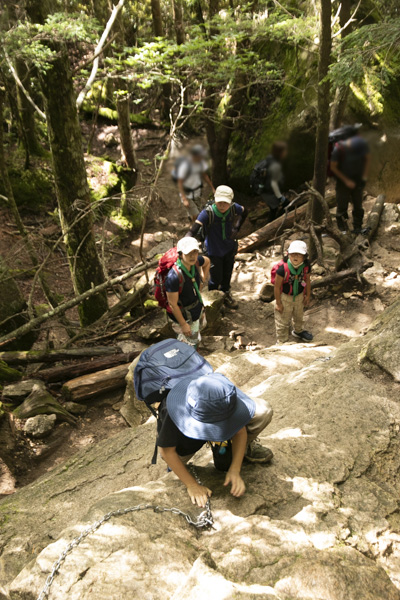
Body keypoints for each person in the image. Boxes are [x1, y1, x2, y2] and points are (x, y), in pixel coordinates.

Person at [157, 372, 274, 507]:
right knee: (175, 470)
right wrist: (192, 485)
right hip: (186, 438)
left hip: (216, 418)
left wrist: (234, 469)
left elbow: (240, 430)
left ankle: (224, 445)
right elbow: (167, 452)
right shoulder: (174, 412)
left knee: (263, 411)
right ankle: (219, 442)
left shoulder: (223, 395)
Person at [188, 185, 248, 309]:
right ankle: (214, 300)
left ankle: (225, 294)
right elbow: (195, 228)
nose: (221, 205)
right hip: (213, 250)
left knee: (227, 273)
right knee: (215, 277)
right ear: (215, 199)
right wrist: (185, 240)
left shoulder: (233, 208)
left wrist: (237, 226)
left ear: (230, 202)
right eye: (219, 201)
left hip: (229, 248)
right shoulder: (208, 213)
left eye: (225, 203)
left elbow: (244, 211)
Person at [165, 237, 210, 348]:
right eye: (188, 253)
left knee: (194, 340)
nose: (192, 256)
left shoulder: (196, 263)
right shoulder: (173, 277)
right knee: (186, 346)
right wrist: (184, 324)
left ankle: (195, 353)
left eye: (195, 252)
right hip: (183, 316)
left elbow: (207, 262)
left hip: (195, 309)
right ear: (180, 254)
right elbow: (172, 304)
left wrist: (202, 282)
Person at [330, 130, 371, 233]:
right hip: (342, 183)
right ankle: (343, 230)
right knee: (342, 208)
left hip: (357, 181)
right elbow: (333, 167)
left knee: (358, 206)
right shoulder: (338, 150)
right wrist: (346, 180)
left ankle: (358, 228)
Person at [274, 240, 313, 344]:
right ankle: (281, 341)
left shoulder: (306, 267)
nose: (295, 257)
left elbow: (307, 281)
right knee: (282, 320)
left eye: (299, 255)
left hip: (299, 296)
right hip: (285, 298)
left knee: (299, 316)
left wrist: (307, 295)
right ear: (288, 254)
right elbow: (277, 287)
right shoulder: (282, 269)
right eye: (293, 254)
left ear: (304, 257)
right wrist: (278, 303)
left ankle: (298, 331)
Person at [250, 141, 289, 222]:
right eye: (285, 151)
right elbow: (273, 183)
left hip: (262, 188)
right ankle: (271, 227)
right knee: (278, 207)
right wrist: (280, 197)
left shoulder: (268, 159)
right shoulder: (275, 165)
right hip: (267, 191)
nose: (286, 152)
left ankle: (273, 223)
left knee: (274, 208)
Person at [176, 144, 215, 222]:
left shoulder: (201, 163)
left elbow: (205, 175)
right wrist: (184, 199)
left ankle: (192, 219)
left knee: (198, 212)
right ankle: (193, 230)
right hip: (187, 194)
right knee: (196, 215)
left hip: (197, 192)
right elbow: (180, 182)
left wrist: (212, 188)